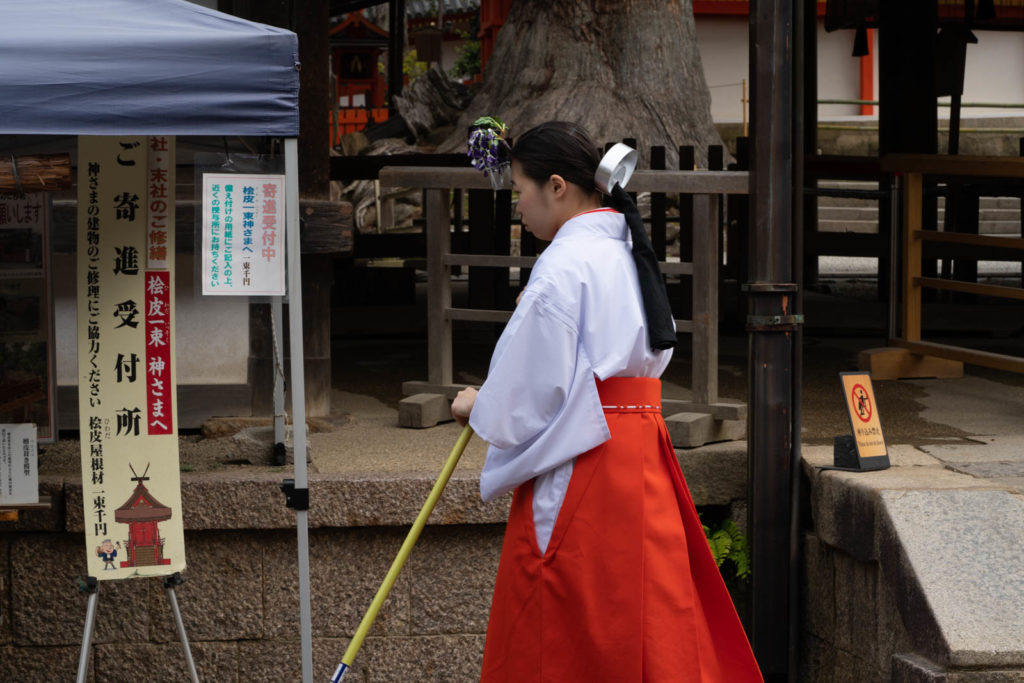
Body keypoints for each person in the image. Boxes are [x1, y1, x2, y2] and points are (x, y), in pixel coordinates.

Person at [451, 121, 763, 682]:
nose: (517, 207)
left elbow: (530, 392)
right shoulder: (625, 248)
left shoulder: (564, 266)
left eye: (520, 190)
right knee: (652, 615)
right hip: (641, 456)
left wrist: (478, 404)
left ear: (556, 186)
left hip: (586, 461)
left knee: (566, 621)